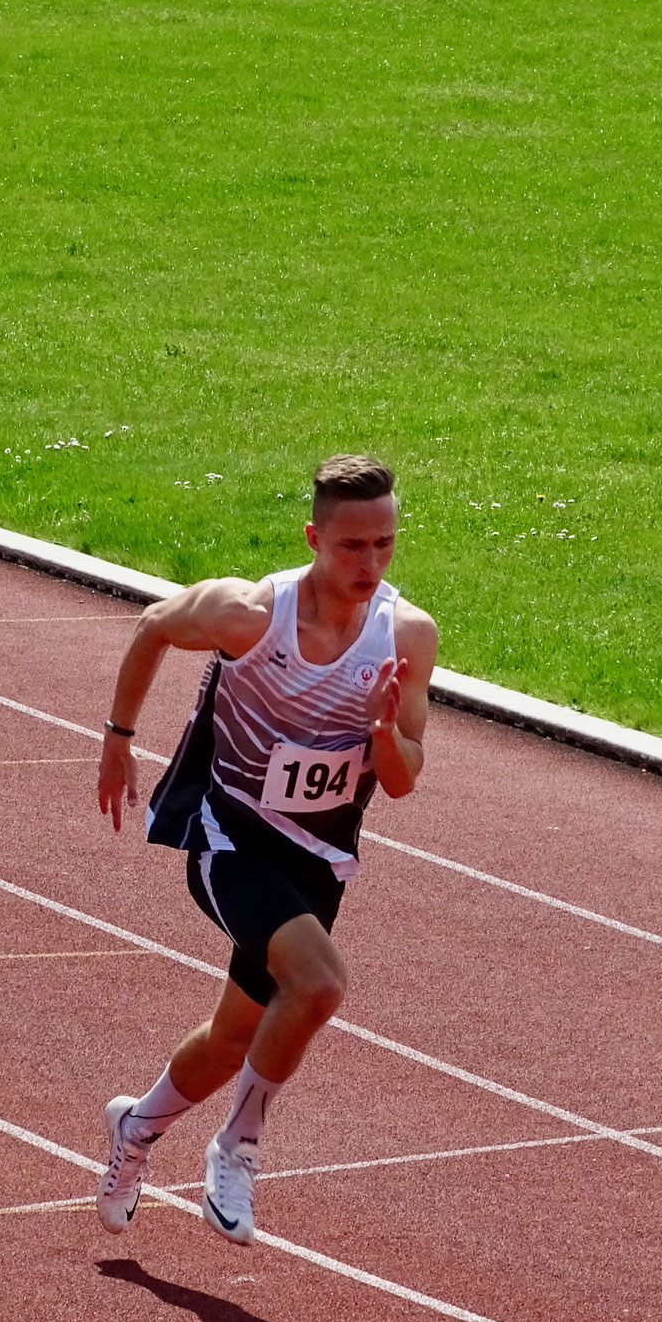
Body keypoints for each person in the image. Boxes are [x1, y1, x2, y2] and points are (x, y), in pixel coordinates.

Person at [93, 454, 437, 1244]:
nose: (370, 564)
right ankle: (237, 1147)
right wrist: (118, 738)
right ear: (314, 537)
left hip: (318, 863)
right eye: (352, 546)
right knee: (318, 985)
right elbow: (153, 625)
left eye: (385, 544)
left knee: (235, 1036)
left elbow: (406, 777)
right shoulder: (251, 615)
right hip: (229, 839)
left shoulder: (407, 634)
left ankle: (136, 1130)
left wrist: (384, 733)